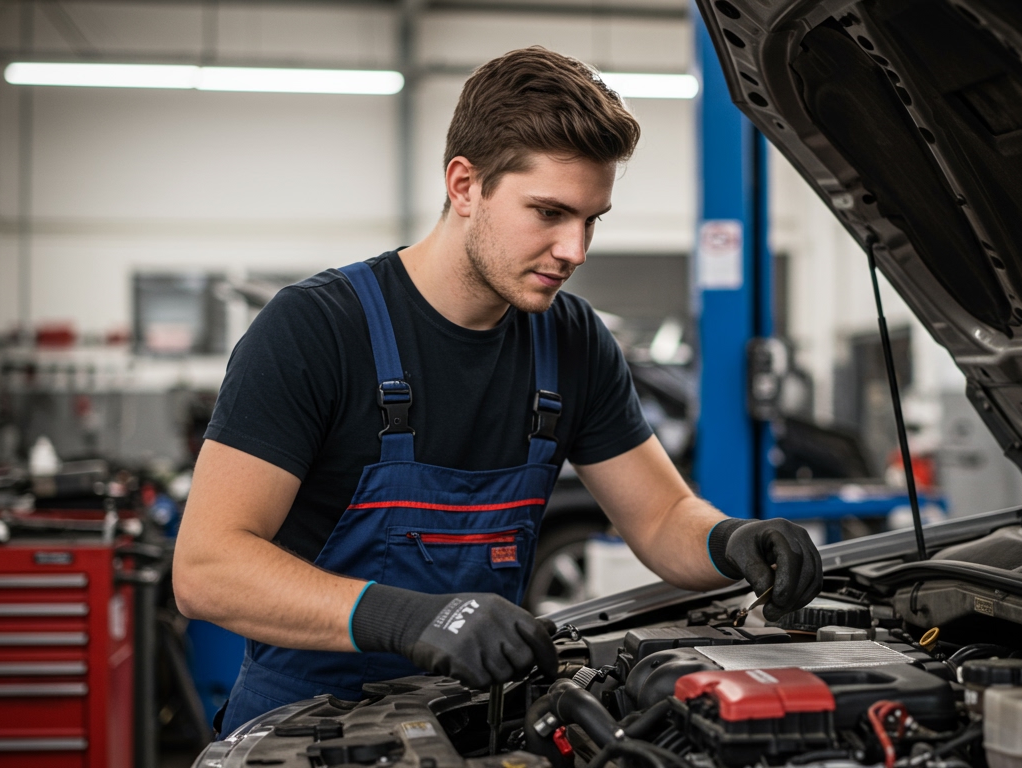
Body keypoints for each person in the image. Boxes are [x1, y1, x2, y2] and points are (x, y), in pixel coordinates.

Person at [173, 46, 823, 735]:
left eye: (591, 219)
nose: (574, 249)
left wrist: (732, 540)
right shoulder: (317, 330)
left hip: (476, 728)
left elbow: (661, 520)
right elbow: (208, 568)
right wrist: (410, 618)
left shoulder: (571, 342)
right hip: (305, 730)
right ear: (464, 185)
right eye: (548, 212)